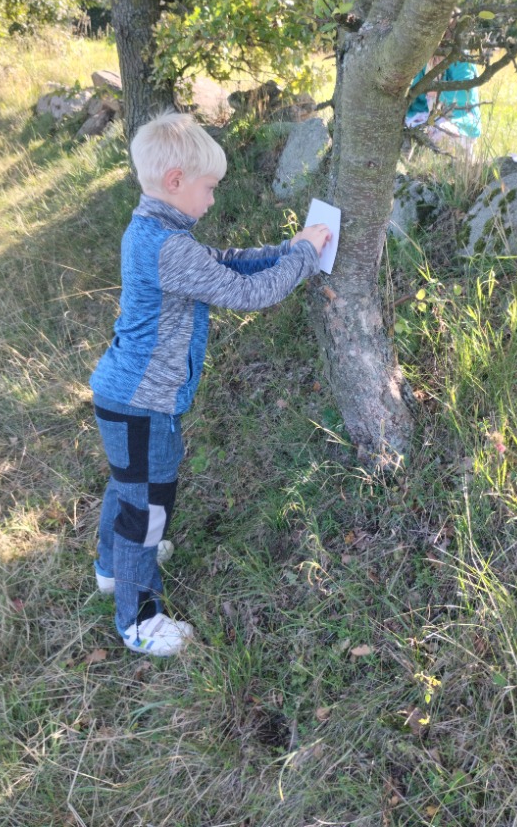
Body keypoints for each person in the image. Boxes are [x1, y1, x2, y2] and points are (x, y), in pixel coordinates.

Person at [89, 111, 331, 657]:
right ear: (175, 181)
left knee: (128, 488)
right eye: (209, 188)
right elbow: (248, 293)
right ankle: (138, 621)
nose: (213, 199)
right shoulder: (169, 247)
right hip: (144, 403)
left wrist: (288, 250)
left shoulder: (155, 232)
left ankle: (111, 567)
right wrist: (304, 258)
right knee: (146, 509)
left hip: (123, 396)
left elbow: (223, 264)